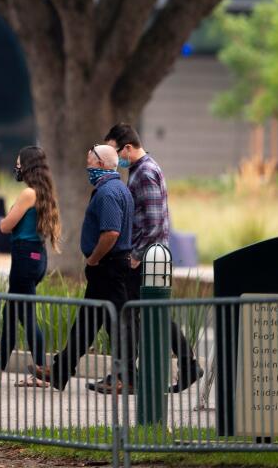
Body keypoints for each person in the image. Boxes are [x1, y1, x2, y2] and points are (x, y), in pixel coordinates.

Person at [99, 123, 201, 394]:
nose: (114, 159)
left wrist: (136, 255)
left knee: (132, 314)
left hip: (148, 259)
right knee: (146, 314)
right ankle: (134, 372)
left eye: (114, 151)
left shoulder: (144, 172)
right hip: (149, 256)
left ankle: (127, 375)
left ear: (128, 148)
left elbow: (154, 221)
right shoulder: (140, 170)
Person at [39, 144, 133, 391]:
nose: (87, 167)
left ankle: (127, 378)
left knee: (116, 323)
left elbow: (111, 232)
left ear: (101, 164)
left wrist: (93, 259)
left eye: (90, 162)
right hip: (110, 266)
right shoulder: (118, 188)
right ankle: (60, 371)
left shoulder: (108, 193)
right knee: (88, 322)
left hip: (108, 266)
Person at [0, 145, 61, 391]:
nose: (16, 168)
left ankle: (42, 371)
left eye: (19, 163)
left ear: (28, 166)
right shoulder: (45, 192)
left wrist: (8, 216)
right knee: (11, 315)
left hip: (24, 258)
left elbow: (5, 225)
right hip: (37, 257)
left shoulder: (28, 194)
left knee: (26, 315)